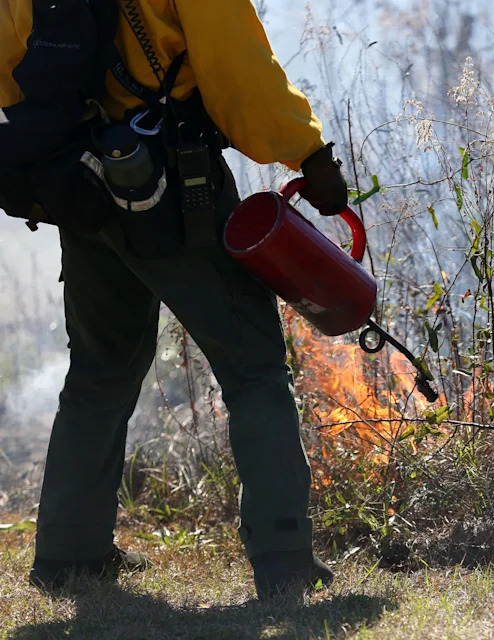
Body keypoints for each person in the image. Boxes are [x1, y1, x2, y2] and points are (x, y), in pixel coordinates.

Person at [0, 0, 348, 600]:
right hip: (175, 184)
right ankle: (285, 559)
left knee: (99, 372)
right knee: (254, 368)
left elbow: (12, 67)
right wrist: (308, 154)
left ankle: (68, 558)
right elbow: (239, 70)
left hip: (78, 184)